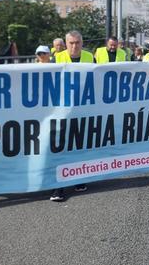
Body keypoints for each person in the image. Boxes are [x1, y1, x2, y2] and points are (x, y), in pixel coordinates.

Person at [50, 30, 90, 201]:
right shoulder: (57, 58)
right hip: (61, 110)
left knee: (79, 144)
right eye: (71, 43)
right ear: (66, 44)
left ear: (82, 43)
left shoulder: (89, 57)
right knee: (59, 147)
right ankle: (58, 186)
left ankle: (78, 178)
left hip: (82, 109)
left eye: (77, 43)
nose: (74, 46)